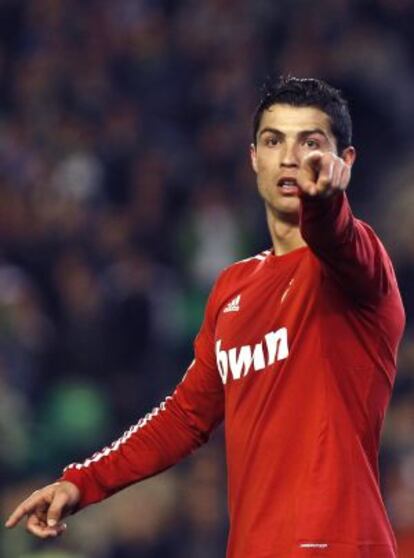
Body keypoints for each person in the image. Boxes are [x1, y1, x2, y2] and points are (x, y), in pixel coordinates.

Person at [5, 76, 405, 558]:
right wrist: (81, 483)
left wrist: (326, 203)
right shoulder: (233, 288)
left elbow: (339, 240)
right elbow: (184, 416)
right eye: (274, 140)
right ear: (254, 158)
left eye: (312, 144)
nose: (292, 158)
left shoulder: (360, 266)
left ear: (347, 162)